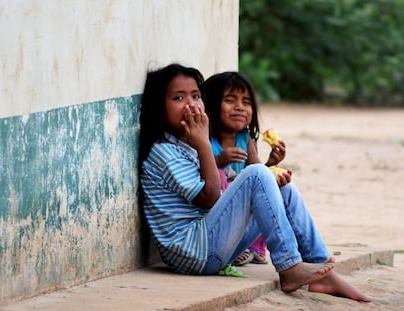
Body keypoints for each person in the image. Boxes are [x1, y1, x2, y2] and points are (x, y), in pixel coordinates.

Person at [138, 63, 371, 301]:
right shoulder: (164, 152)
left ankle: (320, 268)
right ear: (159, 108)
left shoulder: (185, 145)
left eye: (196, 96)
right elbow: (210, 198)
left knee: (283, 187)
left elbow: (230, 192)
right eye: (179, 97)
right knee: (258, 173)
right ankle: (289, 267)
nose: (191, 104)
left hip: (211, 245)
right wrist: (204, 144)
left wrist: (267, 175)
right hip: (194, 253)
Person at [204, 71, 280, 266]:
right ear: (211, 104)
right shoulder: (206, 140)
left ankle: (254, 247)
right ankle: (235, 248)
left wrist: (271, 165)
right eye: (230, 100)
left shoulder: (245, 138)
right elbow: (200, 174)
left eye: (246, 103)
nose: (239, 107)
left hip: (242, 209)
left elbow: (257, 175)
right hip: (218, 210)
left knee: (271, 192)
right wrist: (218, 161)